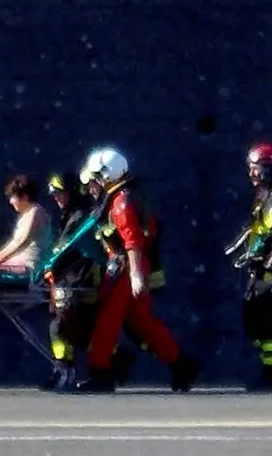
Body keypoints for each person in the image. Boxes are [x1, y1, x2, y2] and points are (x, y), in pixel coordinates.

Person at [79, 147, 198, 393]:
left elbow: (132, 241)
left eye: (95, 179)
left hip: (125, 268)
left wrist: (134, 275)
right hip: (131, 266)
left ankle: (100, 373)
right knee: (141, 321)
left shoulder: (120, 203)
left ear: (106, 175)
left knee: (107, 320)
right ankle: (181, 364)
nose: (92, 186)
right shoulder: (125, 197)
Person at [227, 143, 272, 392]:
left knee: (264, 321)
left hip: (271, 271)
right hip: (260, 267)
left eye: (255, 169)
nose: (251, 174)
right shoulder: (265, 196)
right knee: (253, 318)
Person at [37, 172, 101, 391]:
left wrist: (47, 267)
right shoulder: (75, 213)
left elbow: (66, 248)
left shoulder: (80, 215)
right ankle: (68, 370)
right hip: (73, 280)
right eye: (53, 194)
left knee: (61, 328)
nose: (56, 197)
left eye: (60, 193)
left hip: (79, 281)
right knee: (78, 330)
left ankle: (66, 371)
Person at [0, 174, 48, 276]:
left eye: (13, 197)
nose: (11, 201)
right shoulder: (27, 213)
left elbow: (21, 241)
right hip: (18, 263)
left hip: (28, 266)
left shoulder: (35, 211)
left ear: (25, 197)